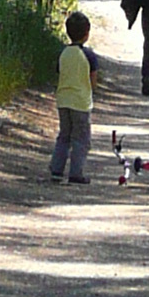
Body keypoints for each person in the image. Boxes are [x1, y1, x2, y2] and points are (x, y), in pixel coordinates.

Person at [49, 9, 101, 184]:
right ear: (86, 34)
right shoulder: (88, 56)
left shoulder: (63, 53)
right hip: (81, 102)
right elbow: (93, 81)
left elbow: (59, 73)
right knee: (81, 139)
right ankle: (76, 173)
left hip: (63, 100)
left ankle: (56, 169)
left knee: (64, 136)